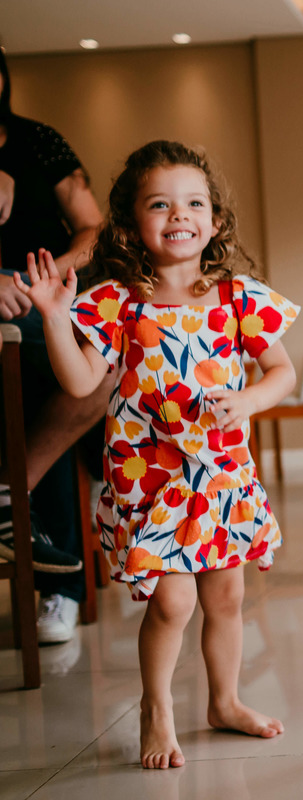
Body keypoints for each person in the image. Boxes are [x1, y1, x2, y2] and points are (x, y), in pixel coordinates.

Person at [16, 140, 297, 767]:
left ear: (215, 221)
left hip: (221, 474)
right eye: (160, 204)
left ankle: (224, 701)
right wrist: (56, 320)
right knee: (174, 600)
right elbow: (82, 384)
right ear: (129, 225)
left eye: (195, 203)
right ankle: (157, 708)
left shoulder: (236, 297)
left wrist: (249, 401)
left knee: (226, 596)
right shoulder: (116, 301)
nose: (180, 215)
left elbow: (283, 373)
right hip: (150, 478)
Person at [0, 46, 111, 645]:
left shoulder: (38, 142)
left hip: (43, 299)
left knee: (91, 375)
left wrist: (46, 280)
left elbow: (93, 229)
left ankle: (55, 575)